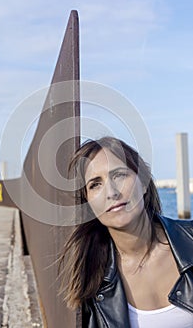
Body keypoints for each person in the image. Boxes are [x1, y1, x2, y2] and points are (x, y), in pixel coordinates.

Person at [59, 136, 193, 328]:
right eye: (95, 184)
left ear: (144, 182)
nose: (111, 192)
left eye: (119, 175)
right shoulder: (91, 282)